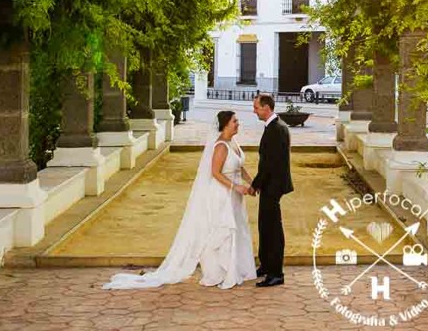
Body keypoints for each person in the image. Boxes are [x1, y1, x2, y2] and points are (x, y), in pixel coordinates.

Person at [102, 110, 257, 290]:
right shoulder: (221, 146)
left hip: (234, 196)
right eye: (234, 121)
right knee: (221, 230)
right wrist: (235, 187)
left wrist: (251, 182)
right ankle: (218, 272)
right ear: (225, 125)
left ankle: (235, 268)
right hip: (222, 194)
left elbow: (239, 166)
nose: (238, 124)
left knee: (236, 228)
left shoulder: (233, 143)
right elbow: (215, 173)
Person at [250, 93, 294, 287]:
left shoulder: (277, 129)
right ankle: (266, 265)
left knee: (273, 229)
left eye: (256, 107)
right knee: (264, 226)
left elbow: (269, 164)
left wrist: (255, 184)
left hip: (273, 186)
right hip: (270, 185)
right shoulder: (275, 127)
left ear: (266, 107)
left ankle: (276, 273)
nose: (254, 111)